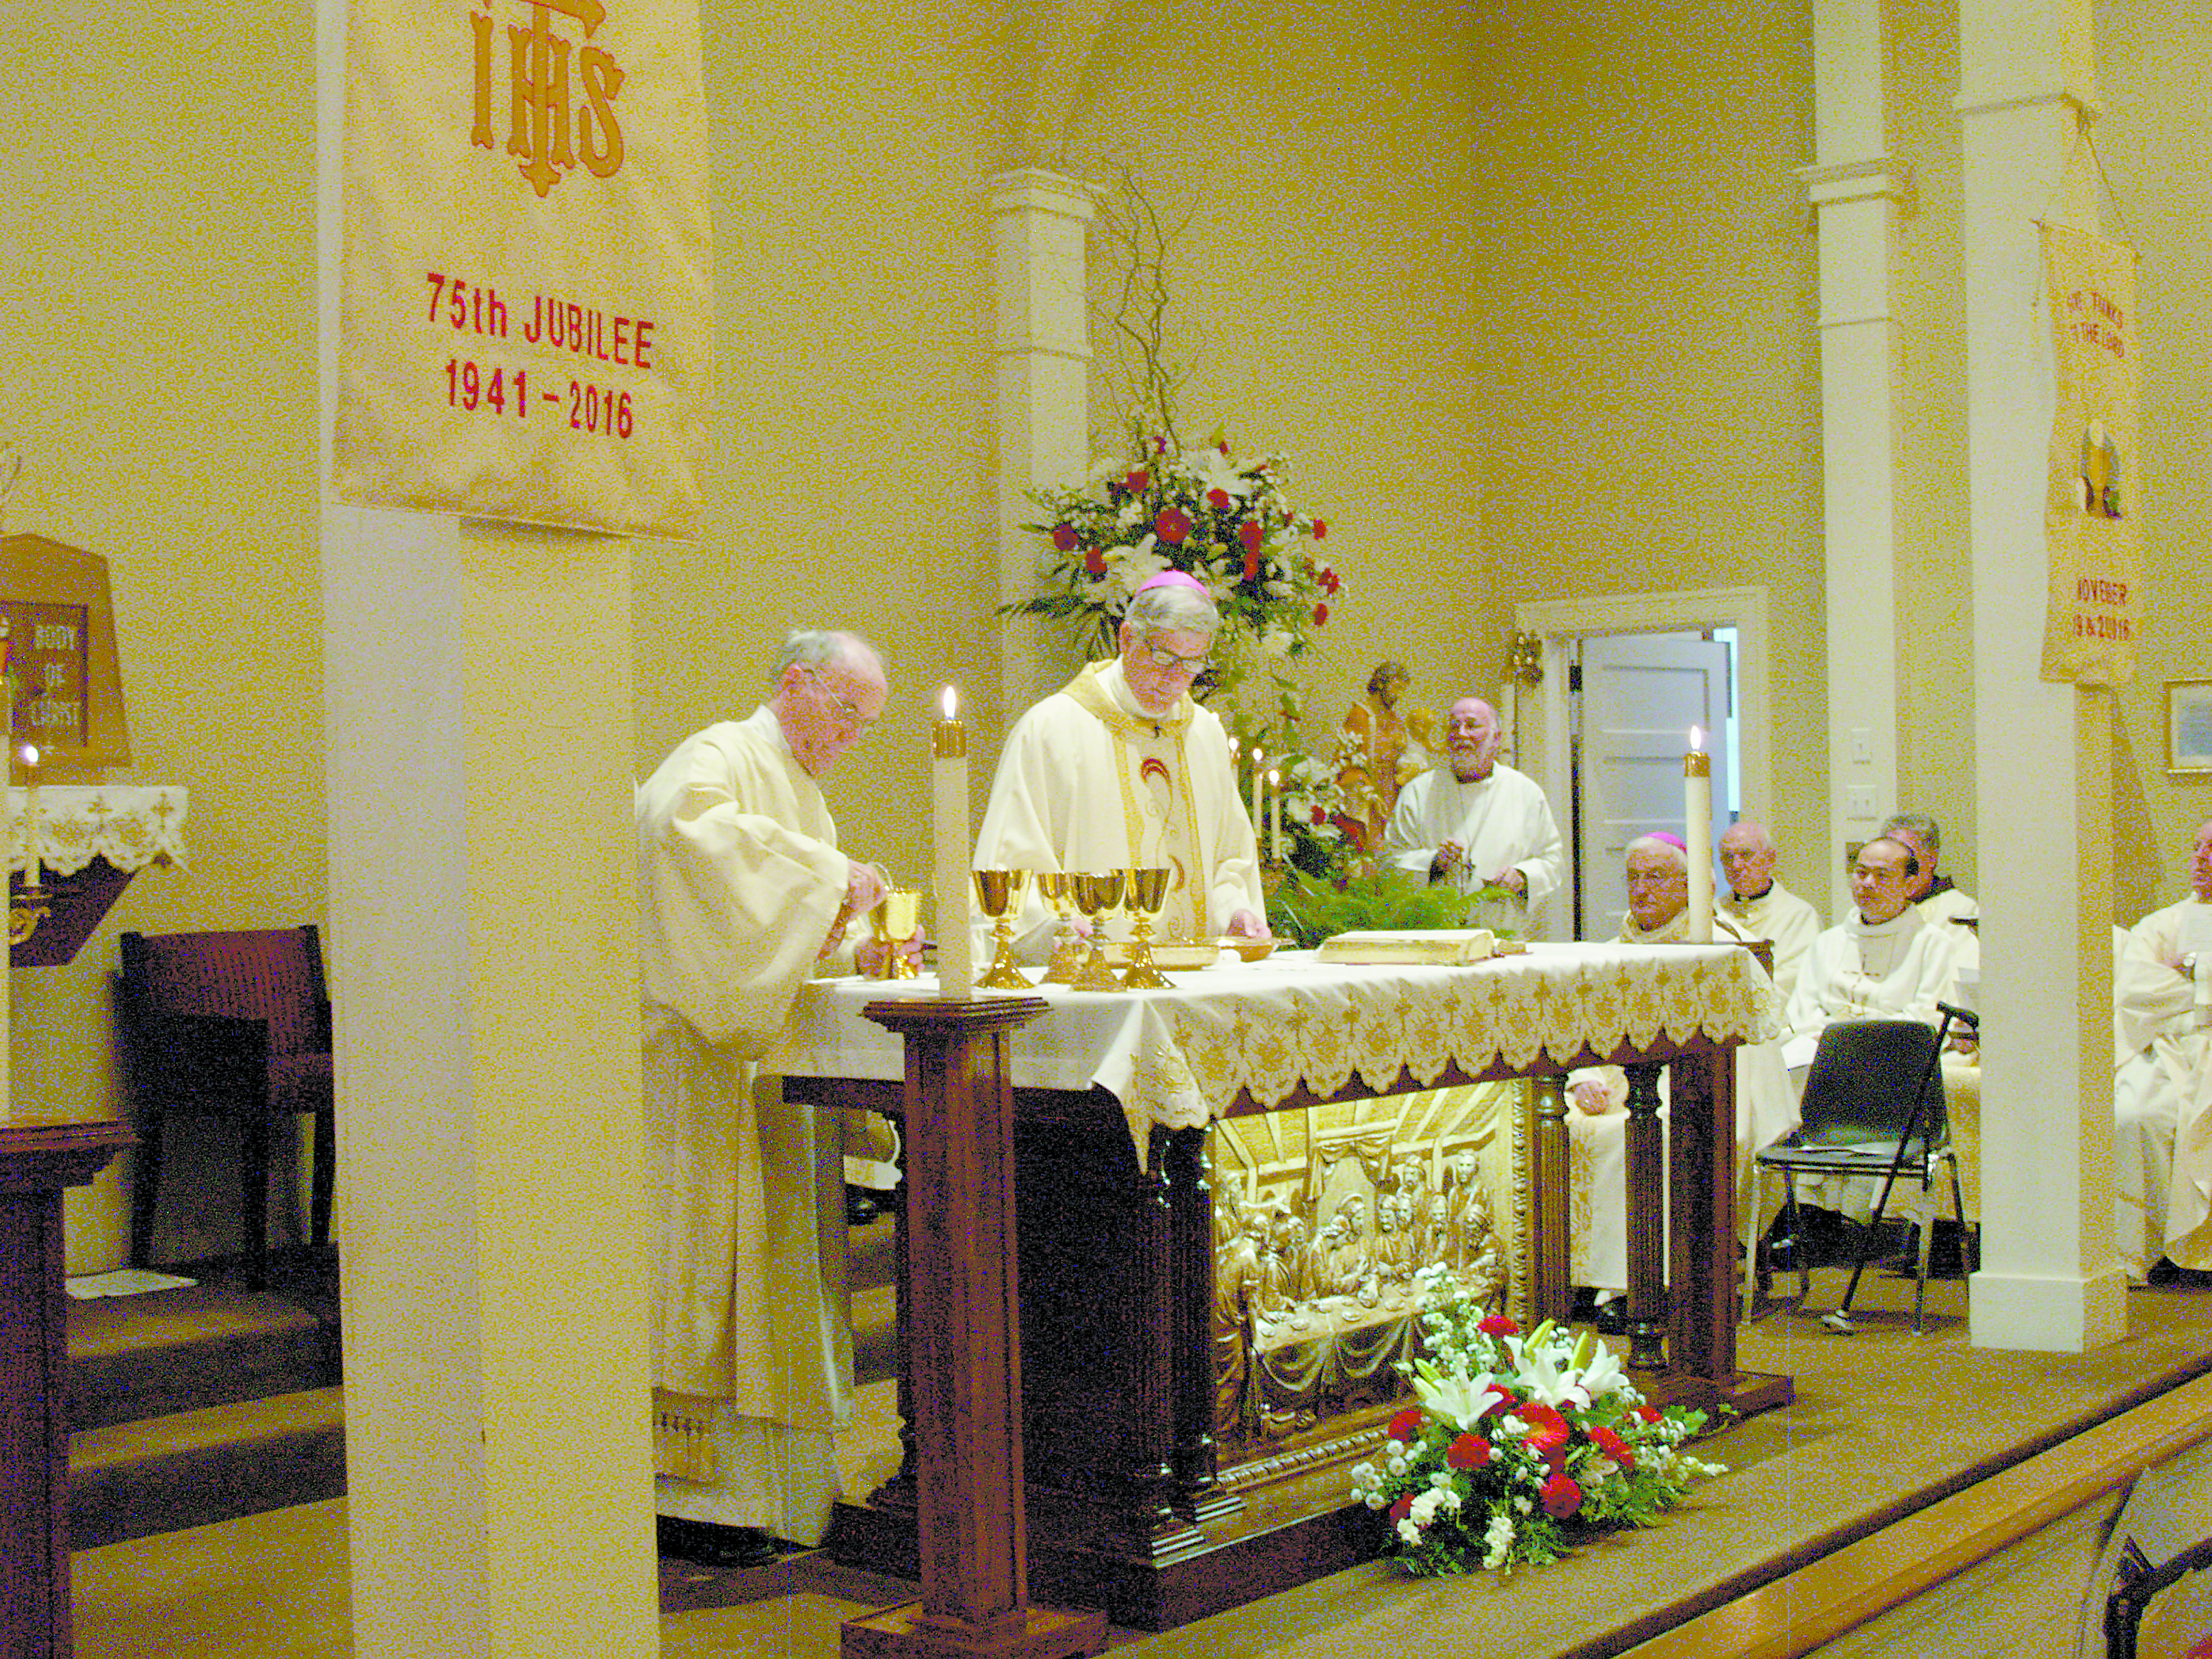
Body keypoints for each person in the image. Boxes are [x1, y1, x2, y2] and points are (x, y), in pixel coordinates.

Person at [636, 628, 904, 1565]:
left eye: (862, 723)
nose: (849, 735)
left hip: (768, 1080)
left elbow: (781, 940)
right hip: (698, 1078)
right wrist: (829, 880)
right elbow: (673, 832)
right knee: (710, 1277)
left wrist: (848, 938)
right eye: (844, 710)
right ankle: (692, 1500)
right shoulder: (716, 756)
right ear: (794, 682)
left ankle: (773, 1495)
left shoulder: (803, 792)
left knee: (779, 1284)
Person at [970, 572, 1267, 958]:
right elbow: (1012, 864)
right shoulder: (1052, 729)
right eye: (1165, 658)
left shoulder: (1205, 735)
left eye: (1192, 665)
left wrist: (1235, 912)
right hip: (1092, 978)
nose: (1176, 679)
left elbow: (1229, 856)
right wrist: (1054, 924)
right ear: (1127, 639)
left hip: (1197, 975)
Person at [1564, 834, 1795, 1322]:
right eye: (1633, 877)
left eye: (1655, 877)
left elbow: (1746, 1051)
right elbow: (1574, 1032)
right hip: (1612, 1091)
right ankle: (1575, 1281)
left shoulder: (1719, 953)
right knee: (1560, 1126)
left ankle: (1643, 1289)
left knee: (1652, 1133)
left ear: (1687, 885)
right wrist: (1580, 1078)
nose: (1640, 889)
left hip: (1694, 1090)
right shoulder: (1610, 954)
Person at [2112, 819, 2212, 1282]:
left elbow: (2163, 985)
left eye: (2211, 848)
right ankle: (2149, 1251)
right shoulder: (2159, 923)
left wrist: (2191, 966)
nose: (2200, 859)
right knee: (2134, 1115)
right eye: (2196, 847)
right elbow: (2135, 990)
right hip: (2168, 1049)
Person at [1380, 696, 1564, 936]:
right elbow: (1390, 863)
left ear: (1496, 738)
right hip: (1434, 940)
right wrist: (1434, 863)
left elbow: (1552, 861)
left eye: (1472, 725)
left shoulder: (1524, 793)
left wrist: (1521, 877)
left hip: (1504, 937)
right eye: (1454, 726)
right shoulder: (1419, 792)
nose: (1461, 734)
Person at [1782, 835, 1961, 1052]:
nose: (1867, 883)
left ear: (1910, 885)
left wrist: (1855, 1041)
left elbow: (1927, 1018)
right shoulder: (1827, 942)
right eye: (1861, 873)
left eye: (1881, 875)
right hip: (1822, 1050)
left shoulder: (1933, 944)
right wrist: (1831, 1040)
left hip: (1893, 1056)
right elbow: (1803, 1011)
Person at [1716, 820, 1823, 1002]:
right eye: (1728, 857)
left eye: (1746, 855)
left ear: (1771, 859)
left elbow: (1794, 981)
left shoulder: (1799, 916)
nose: (1736, 866)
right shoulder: (1712, 912)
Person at [1338, 661, 1436, 843]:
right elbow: (1348, 760)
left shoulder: (1396, 721)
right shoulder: (1361, 716)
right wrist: (1370, 791)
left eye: (1402, 690)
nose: (1398, 696)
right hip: (1367, 792)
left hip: (1391, 790)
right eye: (1396, 688)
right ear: (1382, 683)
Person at [1881, 811, 1978, 931]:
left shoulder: (1961, 911)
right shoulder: (1874, 907)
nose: (1896, 865)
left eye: (1906, 855)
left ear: (1932, 858)